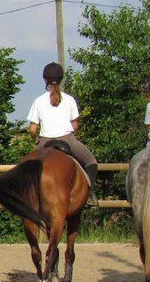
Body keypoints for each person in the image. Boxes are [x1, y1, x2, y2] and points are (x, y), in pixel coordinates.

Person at [27, 62, 99, 208]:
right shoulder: (70, 100)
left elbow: (32, 130)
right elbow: (75, 125)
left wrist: (36, 141)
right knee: (91, 161)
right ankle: (90, 195)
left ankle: (27, 198)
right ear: (61, 80)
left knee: (28, 168)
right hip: (67, 139)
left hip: (45, 142)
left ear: (45, 80)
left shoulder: (39, 101)